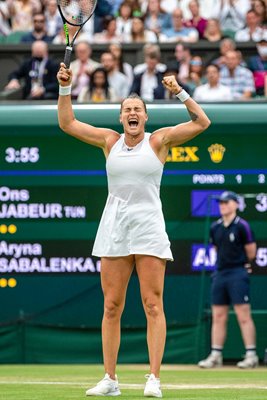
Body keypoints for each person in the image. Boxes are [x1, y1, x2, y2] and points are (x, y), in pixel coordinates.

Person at [57, 61, 210, 397]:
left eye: (138, 109)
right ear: (121, 117)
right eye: (127, 109)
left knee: (152, 304)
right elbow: (66, 123)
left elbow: (202, 122)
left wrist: (180, 92)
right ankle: (110, 379)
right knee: (111, 306)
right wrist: (65, 86)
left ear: (146, 116)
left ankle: (153, 378)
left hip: (149, 227)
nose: (132, 113)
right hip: (113, 227)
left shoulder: (159, 141)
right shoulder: (109, 141)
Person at [198, 191, 258, 369]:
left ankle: (251, 355)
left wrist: (242, 265)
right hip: (220, 273)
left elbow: (251, 251)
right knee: (218, 315)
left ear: (235, 205)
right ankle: (216, 355)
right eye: (221, 203)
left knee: (243, 315)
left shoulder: (242, 226)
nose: (222, 205)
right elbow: (217, 249)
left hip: (238, 273)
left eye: (226, 202)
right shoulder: (215, 227)